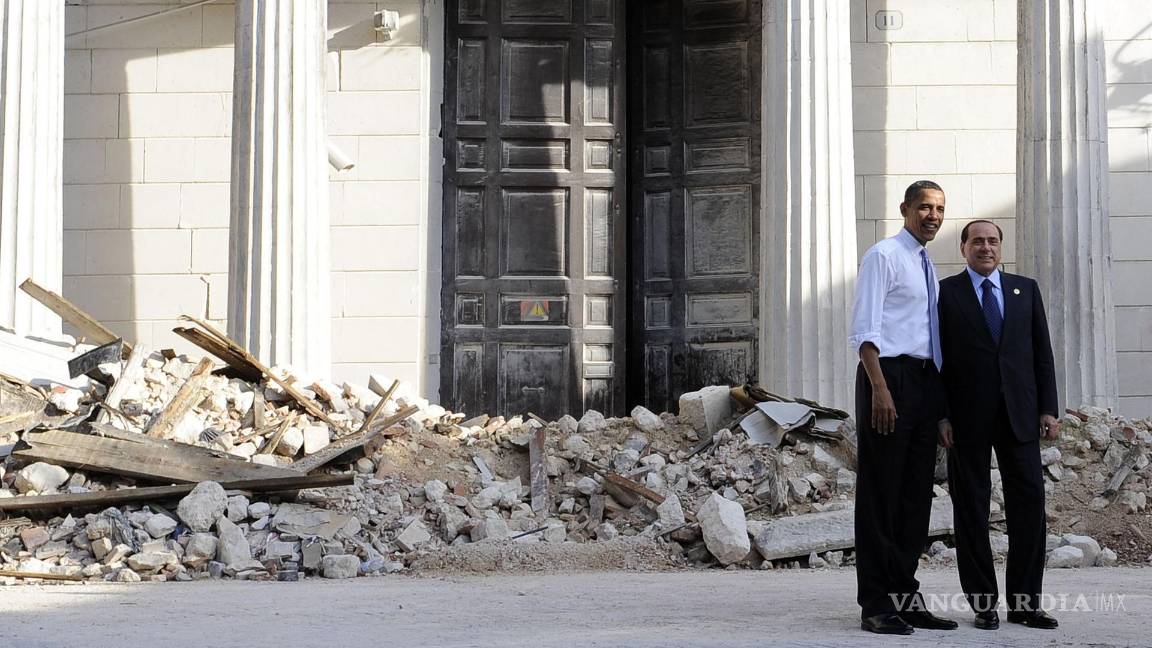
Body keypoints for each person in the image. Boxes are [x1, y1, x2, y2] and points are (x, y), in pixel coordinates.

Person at [937, 219, 1060, 630]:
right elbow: (936, 360)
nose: (985, 247)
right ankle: (983, 604)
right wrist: (942, 415)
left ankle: (1026, 605)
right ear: (964, 248)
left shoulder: (1025, 290)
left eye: (992, 241)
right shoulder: (945, 294)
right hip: (966, 420)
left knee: (1029, 509)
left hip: (1020, 416)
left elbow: (1042, 353)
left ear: (1001, 247)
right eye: (977, 241)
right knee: (971, 510)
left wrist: (1049, 408)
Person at [849, 180, 958, 635]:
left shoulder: (926, 262)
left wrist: (939, 408)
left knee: (915, 497)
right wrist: (879, 388)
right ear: (905, 209)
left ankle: (904, 596)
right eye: (924, 208)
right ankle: (875, 604)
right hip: (886, 376)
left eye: (939, 209)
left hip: (922, 381)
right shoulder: (885, 256)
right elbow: (865, 330)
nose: (932, 215)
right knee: (881, 494)